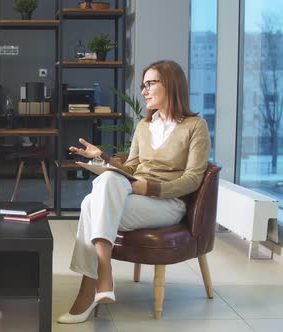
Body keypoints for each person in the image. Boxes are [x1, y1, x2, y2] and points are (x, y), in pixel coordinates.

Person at [57, 60, 210, 324]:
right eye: (143, 85)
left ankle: (90, 288)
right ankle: (103, 275)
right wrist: (102, 157)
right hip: (135, 197)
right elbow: (129, 167)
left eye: (150, 84)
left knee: (89, 204)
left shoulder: (195, 127)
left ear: (170, 85)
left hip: (167, 204)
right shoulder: (143, 125)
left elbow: (193, 179)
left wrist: (150, 187)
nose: (144, 91)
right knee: (105, 185)